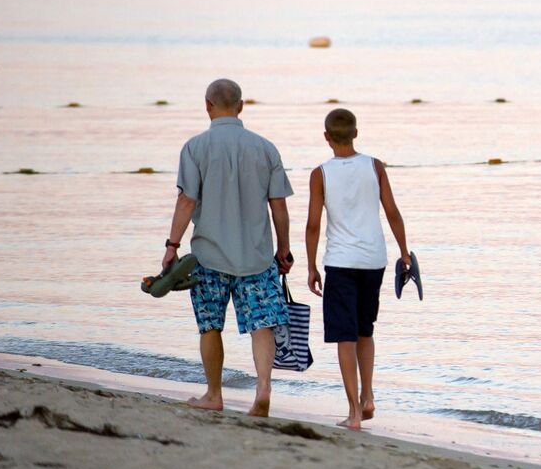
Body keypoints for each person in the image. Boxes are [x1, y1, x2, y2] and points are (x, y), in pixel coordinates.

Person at [162, 79, 294, 417]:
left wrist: (172, 245)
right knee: (261, 323)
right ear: (242, 105)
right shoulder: (266, 148)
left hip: (209, 255)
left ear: (207, 105)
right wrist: (284, 249)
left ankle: (214, 394)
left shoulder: (194, 148)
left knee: (210, 325)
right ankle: (263, 388)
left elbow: (187, 200)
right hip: (257, 254)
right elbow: (278, 204)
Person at [305, 108, 410, 430]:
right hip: (373, 260)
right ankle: (368, 396)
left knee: (344, 337)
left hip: (340, 262)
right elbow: (392, 211)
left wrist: (310, 266)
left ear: (326, 137)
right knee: (365, 330)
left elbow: (313, 225)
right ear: (356, 133)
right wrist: (404, 252)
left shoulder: (320, 173)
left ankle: (353, 413)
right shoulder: (374, 166)